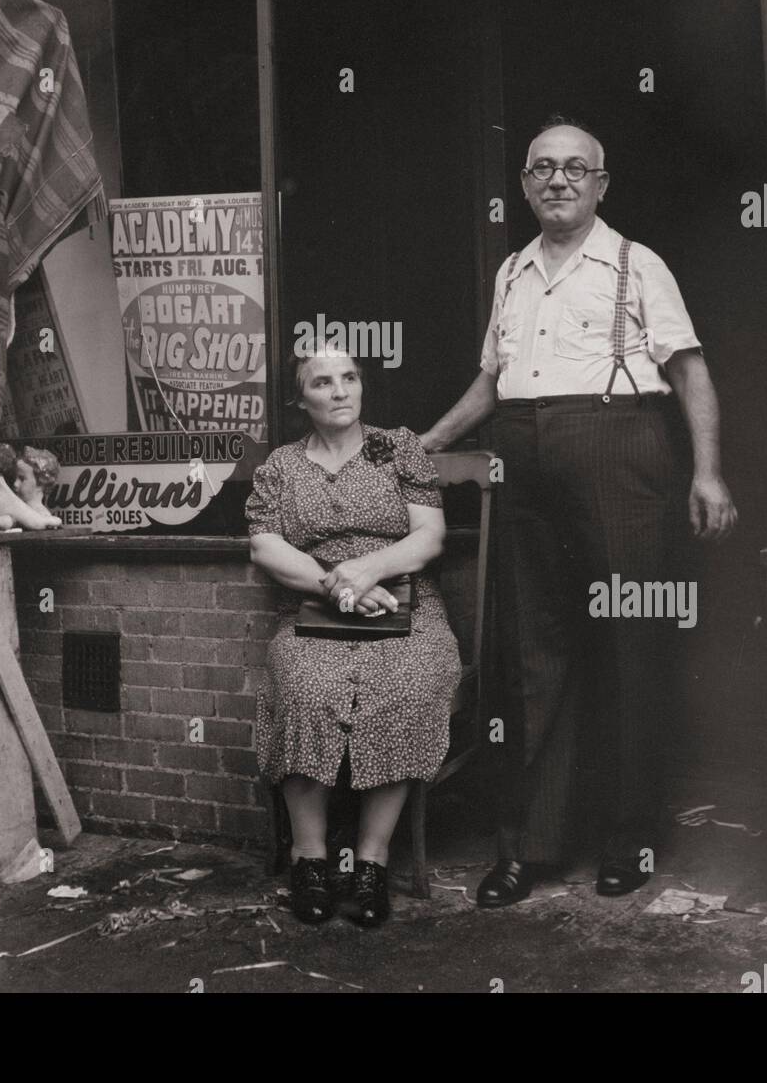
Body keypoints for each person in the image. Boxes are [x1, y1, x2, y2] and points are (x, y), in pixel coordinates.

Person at [421, 115, 737, 907]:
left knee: (630, 647)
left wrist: (707, 474)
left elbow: (691, 374)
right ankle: (531, 846)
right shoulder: (511, 272)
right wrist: (426, 442)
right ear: (524, 184)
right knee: (533, 652)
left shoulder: (635, 264)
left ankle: (627, 837)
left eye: (574, 169)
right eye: (541, 169)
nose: (556, 181)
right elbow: (491, 382)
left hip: (617, 451)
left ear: (600, 184)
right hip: (522, 455)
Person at [246, 346, 462, 927]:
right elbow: (265, 546)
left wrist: (368, 571)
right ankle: (309, 860)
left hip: (404, 607)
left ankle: (371, 864)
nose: (340, 391)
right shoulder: (282, 467)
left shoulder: (398, 448)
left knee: (406, 688)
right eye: (323, 382)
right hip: (318, 610)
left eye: (350, 378)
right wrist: (336, 585)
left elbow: (429, 537)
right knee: (304, 691)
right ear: (301, 400)